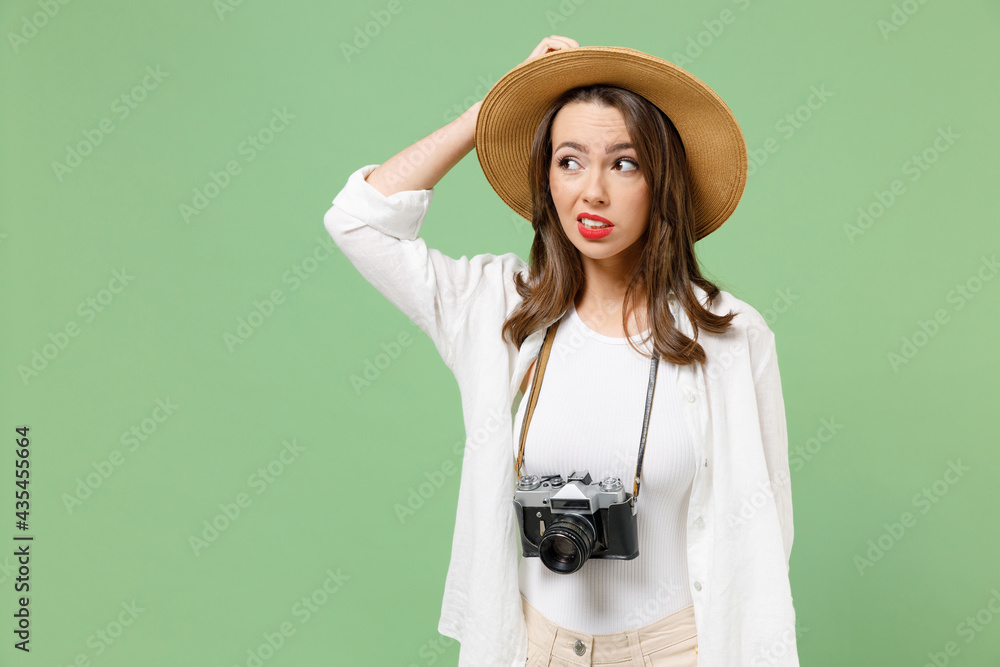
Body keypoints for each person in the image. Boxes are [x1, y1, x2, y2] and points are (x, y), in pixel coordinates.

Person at [324, 36, 799, 667]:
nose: (592, 192)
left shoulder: (729, 336)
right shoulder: (498, 310)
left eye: (624, 163)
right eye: (569, 161)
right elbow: (357, 221)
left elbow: (764, 533)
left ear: (663, 182)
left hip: (677, 650)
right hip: (533, 648)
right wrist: (488, 113)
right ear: (546, 178)